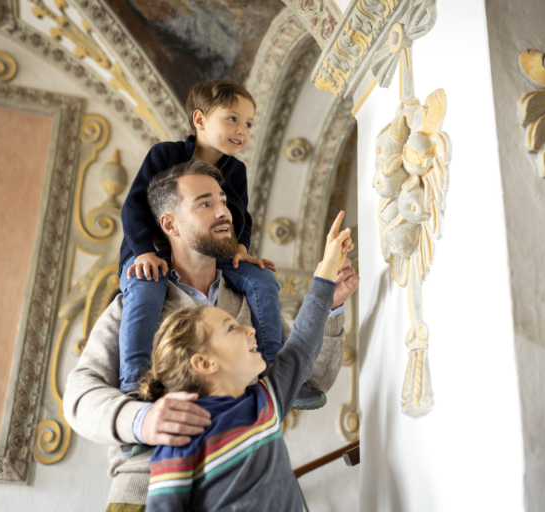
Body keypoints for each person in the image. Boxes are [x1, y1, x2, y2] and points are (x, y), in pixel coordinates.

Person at [64, 160, 359, 512]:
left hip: (241, 492)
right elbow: (79, 398)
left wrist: (330, 305)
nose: (224, 212)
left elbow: (310, 376)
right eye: (205, 203)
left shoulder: (250, 300)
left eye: (223, 201)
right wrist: (142, 420)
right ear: (169, 224)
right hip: (145, 496)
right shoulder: (133, 308)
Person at [118, 80, 323, 408]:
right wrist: (142, 251)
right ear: (199, 120)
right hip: (150, 252)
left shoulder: (236, 170)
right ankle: (133, 385)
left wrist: (242, 249)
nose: (242, 129)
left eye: (248, 123)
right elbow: (134, 207)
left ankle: (275, 372)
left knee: (262, 279)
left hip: (216, 252)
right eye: (232, 119)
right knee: (144, 286)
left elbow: (241, 216)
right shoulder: (165, 154)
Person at [140, 210, 353, 512]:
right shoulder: (180, 439)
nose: (250, 329)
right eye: (231, 328)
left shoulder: (264, 400)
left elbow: (301, 347)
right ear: (204, 363)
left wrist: (327, 271)